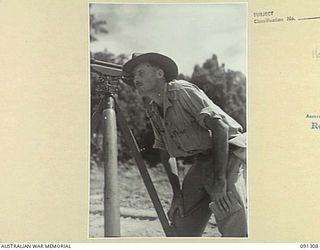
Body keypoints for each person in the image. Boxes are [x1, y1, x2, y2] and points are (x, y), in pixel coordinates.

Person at [123, 52, 247, 237]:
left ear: (159, 74)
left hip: (227, 153)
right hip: (203, 160)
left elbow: (220, 128)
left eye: (140, 72)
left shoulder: (181, 91)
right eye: (134, 76)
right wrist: (177, 194)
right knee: (181, 224)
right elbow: (165, 151)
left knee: (231, 220)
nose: (136, 79)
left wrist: (219, 181)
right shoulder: (152, 108)